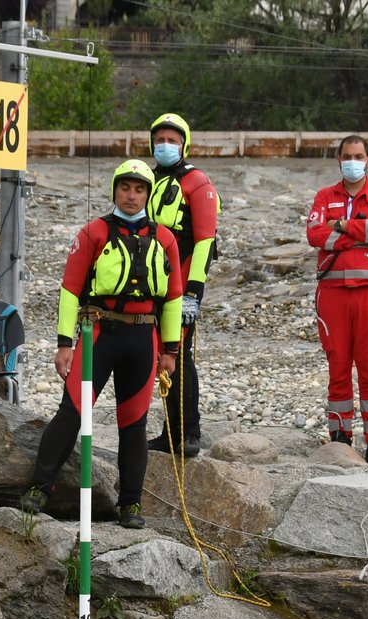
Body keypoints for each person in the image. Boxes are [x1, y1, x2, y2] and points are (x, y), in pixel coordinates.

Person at [19, 160, 184, 530]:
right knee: (71, 412)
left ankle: (131, 504)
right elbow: (69, 290)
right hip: (99, 335)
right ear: (115, 191)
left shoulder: (165, 239)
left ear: (148, 194)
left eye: (139, 189)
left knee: (134, 424)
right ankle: (40, 486)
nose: (131, 195)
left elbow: (173, 298)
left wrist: (170, 352)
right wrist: (64, 344)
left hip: (143, 338)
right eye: (125, 188)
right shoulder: (94, 232)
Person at [307, 134, 368, 467]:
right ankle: (340, 438)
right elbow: (314, 235)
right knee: (337, 368)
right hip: (332, 294)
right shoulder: (324, 195)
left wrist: (344, 226)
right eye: (347, 155)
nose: (353, 160)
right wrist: (361, 235)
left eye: (358, 155)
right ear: (338, 159)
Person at [145, 112, 220, 460]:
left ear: (184, 145)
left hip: (180, 284)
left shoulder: (197, 182)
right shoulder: (146, 180)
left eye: (172, 140)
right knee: (160, 354)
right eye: (159, 139)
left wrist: (193, 292)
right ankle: (169, 431)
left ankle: (189, 432)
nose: (165, 145)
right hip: (149, 281)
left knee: (179, 354)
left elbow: (205, 240)